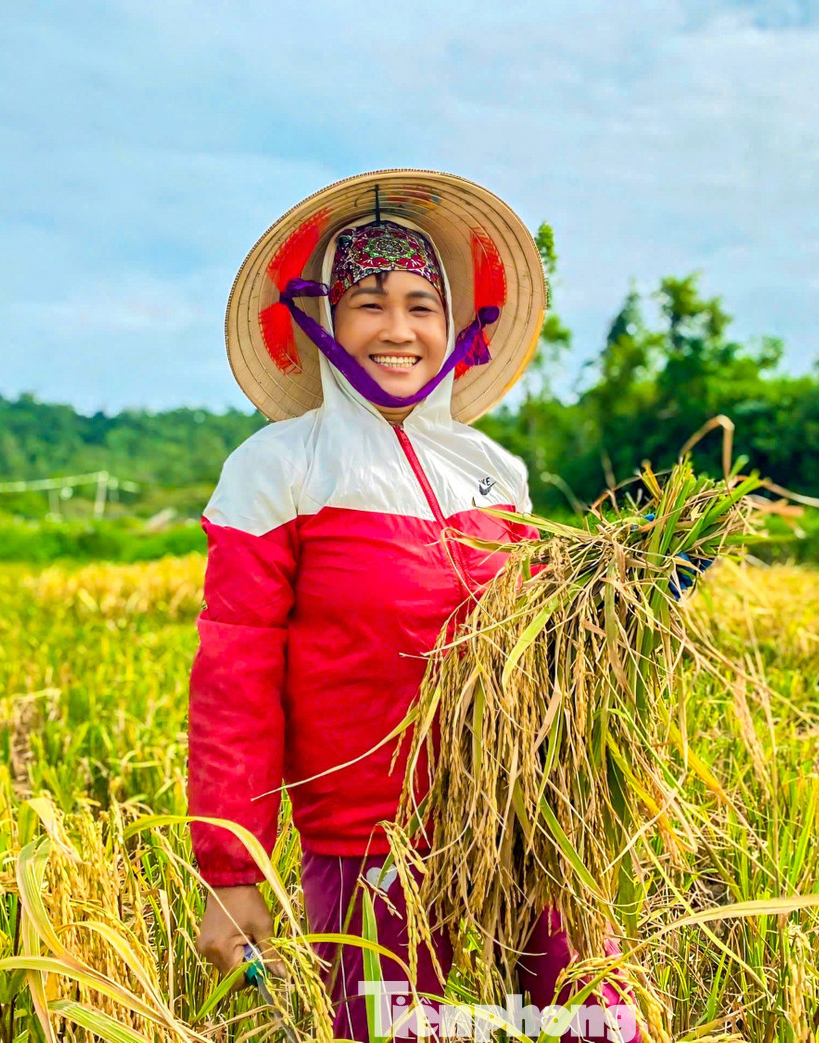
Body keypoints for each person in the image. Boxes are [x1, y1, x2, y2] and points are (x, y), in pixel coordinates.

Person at [189, 170, 642, 1041]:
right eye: (368, 302)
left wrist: (629, 595)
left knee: (597, 1022)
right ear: (322, 319)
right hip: (369, 843)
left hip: (515, 815)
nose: (397, 329)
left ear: (453, 326)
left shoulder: (494, 471)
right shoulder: (281, 467)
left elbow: (535, 643)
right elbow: (235, 674)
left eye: (420, 304)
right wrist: (230, 868)